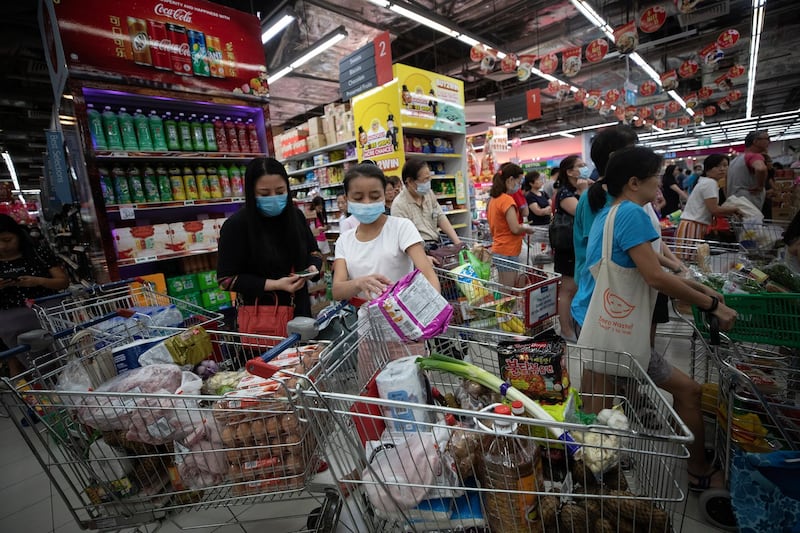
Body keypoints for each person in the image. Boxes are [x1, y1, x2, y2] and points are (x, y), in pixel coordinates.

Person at [572, 146, 737, 492]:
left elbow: (649, 265)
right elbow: (654, 276)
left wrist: (697, 287)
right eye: (656, 177)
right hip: (620, 336)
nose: (660, 186)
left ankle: (594, 487)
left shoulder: (608, 212)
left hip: (601, 329)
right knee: (687, 392)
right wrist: (710, 304)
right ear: (634, 182)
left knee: (596, 419)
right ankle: (698, 471)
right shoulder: (632, 214)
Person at [217, 157, 322, 327]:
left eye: (280, 192)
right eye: (265, 194)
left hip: (301, 314)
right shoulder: (236, 226)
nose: (274, 198)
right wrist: (276, 285)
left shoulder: (295, 217)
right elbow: (225, 280)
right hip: (261, 320)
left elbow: (314, 252)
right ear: (251, 193)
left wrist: (312, 267)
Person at [332, 163, 439, 300]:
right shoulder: (344, 241)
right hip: (366, 319)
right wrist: (359, 283)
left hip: (405, 317)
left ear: (384, 196)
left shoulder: (401, 228)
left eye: (375, 196)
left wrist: (432, 312)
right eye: (358, 198)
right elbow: (337, 291)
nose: (367, 203)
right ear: (347, 199)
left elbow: (429, 276)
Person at [0, 214, 69, 377]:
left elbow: (63, 282)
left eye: (7, 240)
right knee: (39, 368)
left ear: (18, 235)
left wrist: (38, 281)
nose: (2, 246)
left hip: (49, 314)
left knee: (69, 357)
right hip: (12, 323)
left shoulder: (38, 253)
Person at [552, 155, 590, 341]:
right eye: (580, 166)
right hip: (568, 248)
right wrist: (584, 191)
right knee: (568, 289)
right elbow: (581, 212)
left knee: (577, 288)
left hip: (579, 247)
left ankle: (575, 325)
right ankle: (566, 329)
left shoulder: (579, 190)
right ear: (569, 171)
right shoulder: (565, 193)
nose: (584, 168)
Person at [674, 155, 742, 250]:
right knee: (690, 260)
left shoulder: (706, 181)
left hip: (691, 225)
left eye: (725, 165)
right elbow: (714, 210)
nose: (722, 169)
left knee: (690, 259)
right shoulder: (710, 183)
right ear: (708, 168)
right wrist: (735, 209)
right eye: (717, 166)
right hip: (693, 226)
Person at [391, 160, 462, 248]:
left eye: (429, 178)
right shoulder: (399, 205)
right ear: (409, 181)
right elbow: (403, 239)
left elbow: (440, 217)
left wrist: (458, 242)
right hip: (417, 250)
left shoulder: (428, 194)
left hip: (435, 244)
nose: (429, 183)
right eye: (425, 179)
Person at [486, 163, 535, 287]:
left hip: (499, 248)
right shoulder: (507, 200)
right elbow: (515, 228)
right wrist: (526, 228)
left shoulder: (494, 199)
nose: (519, 185)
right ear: (511, 179)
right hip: (508, 250)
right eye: (519, 181)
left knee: (504, 289)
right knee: (508, 293)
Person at [727, 130, 770, 209]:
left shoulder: (735, 160)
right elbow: (761, 169)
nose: (769, 142)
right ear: (756, 141)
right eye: (767, 139)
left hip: (735, 201)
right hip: (749, 201)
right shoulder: (754, 156)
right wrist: (760, 186)